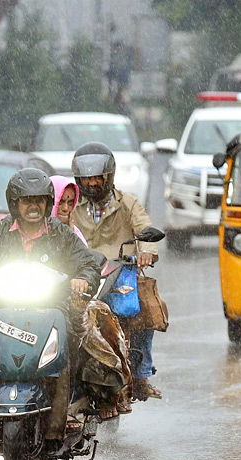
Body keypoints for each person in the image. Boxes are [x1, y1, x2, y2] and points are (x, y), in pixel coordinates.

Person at [0, 167, 102, 445]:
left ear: (48, 203)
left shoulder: (60, 233)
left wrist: (82, 280)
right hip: (2, 311)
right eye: (26, 200)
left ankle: (69, 408)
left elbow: (87, 263)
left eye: (39, 200)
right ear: (15, 204)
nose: (33, 206)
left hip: (52, 310)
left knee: (72, 340)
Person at [70, 141, 162, 400]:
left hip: (120, 272)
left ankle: (141, 374)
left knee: (143, 310)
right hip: (80, 273)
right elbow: (55, 230)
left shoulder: (128, 203)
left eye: (97, 178)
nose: (92, 184)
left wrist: (146, 252)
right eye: (86, 179)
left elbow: (144, 228)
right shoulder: (70, 206)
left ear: (109, 176)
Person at [50, 175, 87, 244]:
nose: (65, 208)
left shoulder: (76, 235)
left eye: (70, 203)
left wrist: (71, 236)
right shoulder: (36, 231)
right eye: (60, 202)